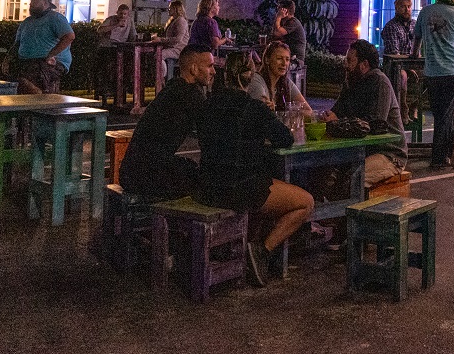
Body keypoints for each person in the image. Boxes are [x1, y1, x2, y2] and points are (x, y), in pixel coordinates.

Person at [198, 52, 315, 286]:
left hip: (206, 184)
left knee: (267, 186)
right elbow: (285, 139)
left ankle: (244, 247)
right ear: (251, 77)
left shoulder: (208, 105)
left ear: (225, 76)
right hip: (240, 187)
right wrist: (268, 116)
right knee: (306, 202)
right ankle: (262, 250)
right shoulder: (254, 108)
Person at [119, 43, 214, 200]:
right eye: (210, 66)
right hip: (145, 175)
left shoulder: (172, 88)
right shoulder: (190, 94)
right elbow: (211, 132)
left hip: (131, 171)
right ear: (194, 69)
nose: (214, 71)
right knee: (207, 182)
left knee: (189, 168)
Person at [325, 40, 407, 186]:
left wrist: (339, 121)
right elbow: (335, 112)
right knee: (323, 172)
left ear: (364, 64)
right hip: (359, 149)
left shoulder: (379, 82)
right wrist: (327, 117)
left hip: (388, 153)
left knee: (353, 179)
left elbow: (376, 124)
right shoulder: (351, 82)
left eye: (350, 61)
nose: (346, 65)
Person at [412, 0, 454, 170]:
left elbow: (417, 37)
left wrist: (414, 54)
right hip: (453, 70)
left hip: (433, 71)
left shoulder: (425, 11)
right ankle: (442, 153)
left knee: (440, 114)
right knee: (446, 114)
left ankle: (445, 152)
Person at [12, 0, 75, 94]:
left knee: (30, 77)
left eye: (35, 1)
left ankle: (41, 97)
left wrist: (51, 54)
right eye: (31, 1)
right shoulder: (27, 22)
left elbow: (69, 37)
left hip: (48, 62)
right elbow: (17, 43)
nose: (31, 4)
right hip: (27, 61)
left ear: (45, 3)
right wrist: (8, 59)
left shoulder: (55, 18)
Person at [248, 40, 314, 119]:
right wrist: (289, 113)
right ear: (267, 60)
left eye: (287, 59)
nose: (284, 63)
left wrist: (286, 113)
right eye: (279, 58)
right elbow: (263, 114)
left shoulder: (285, 82)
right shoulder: (256, 80)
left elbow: (309, 112)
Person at [96, 3, 137, 102]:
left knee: (131, 61)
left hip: (121, 48)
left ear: (128, 14)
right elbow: (100, 30)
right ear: (117, 13)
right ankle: (109, 88)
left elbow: (133, 35)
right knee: (110, 65)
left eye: (125, 14)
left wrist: (135, 41)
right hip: (108, 47)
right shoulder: (111, 20)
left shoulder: (130, 21)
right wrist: (116, 25)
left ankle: (126, 85)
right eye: (121, 13)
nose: (122, 16)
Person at [156, 0, 189, 80]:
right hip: (173, 48)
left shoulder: (181, 21)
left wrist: (161, 40)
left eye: (170, 8)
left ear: (175, 9)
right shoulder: (174, 20)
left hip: (179, 49)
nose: (168, 9)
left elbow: (178, 39)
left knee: (159, 55)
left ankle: (163, 77)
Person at [271, 0, 307, 64]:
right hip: (287, 58)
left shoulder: (293, 22)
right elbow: (274, 35)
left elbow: (277, 33)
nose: (277, 12)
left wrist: (278, 17)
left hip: (295, 61)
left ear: (285, 11)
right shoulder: (285, 22)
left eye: (279, 9)